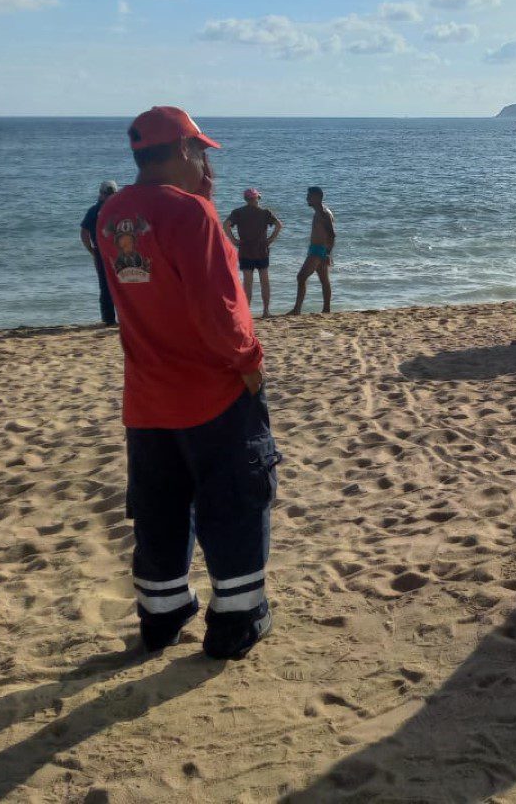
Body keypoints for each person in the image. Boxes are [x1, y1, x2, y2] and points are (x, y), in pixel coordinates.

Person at [98, 106, 278, 660]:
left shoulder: (113, 215)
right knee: (237, 500)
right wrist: (251, 361)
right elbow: (217, 312)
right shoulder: (192, 214)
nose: (205, 162)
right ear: (181, 151)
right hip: (211, 390)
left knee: (161, 508)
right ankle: (238, 617)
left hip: (147, 394)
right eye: (200, 151)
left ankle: (162, 612)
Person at [226, 188, 283, 318]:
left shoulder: (238, 212)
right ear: (257, 198)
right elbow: (279, 225)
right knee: (264, 281)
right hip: (262, 250)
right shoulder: (264, 213)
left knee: (247, 283)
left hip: (245, 251)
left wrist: (234, 240)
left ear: (246, 199)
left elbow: (226, 225)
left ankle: (246, 313)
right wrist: (270, 239)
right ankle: (266, 311)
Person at [289, 186, 336, 315]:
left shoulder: (324, 213)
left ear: (317, 197)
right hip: (316, 249)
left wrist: (327, 253)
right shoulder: (319, 212)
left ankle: (297, 309)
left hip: (319, 250)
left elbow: (332, 234)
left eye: (309, 196)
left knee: (301, 277)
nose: (307, 198)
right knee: (324, 280)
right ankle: (326, 309)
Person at [80, 180, 119, 326]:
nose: (108, 196)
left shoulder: (94, 211)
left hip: (106, 252)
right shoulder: (119, 209)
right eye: (107, 194)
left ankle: (109, 320)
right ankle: (117, 319)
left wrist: (91, 250)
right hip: (115, 253)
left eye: (109, 194)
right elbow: (84, 233)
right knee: (119, 285)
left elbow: (84, 233)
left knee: (107, 286)